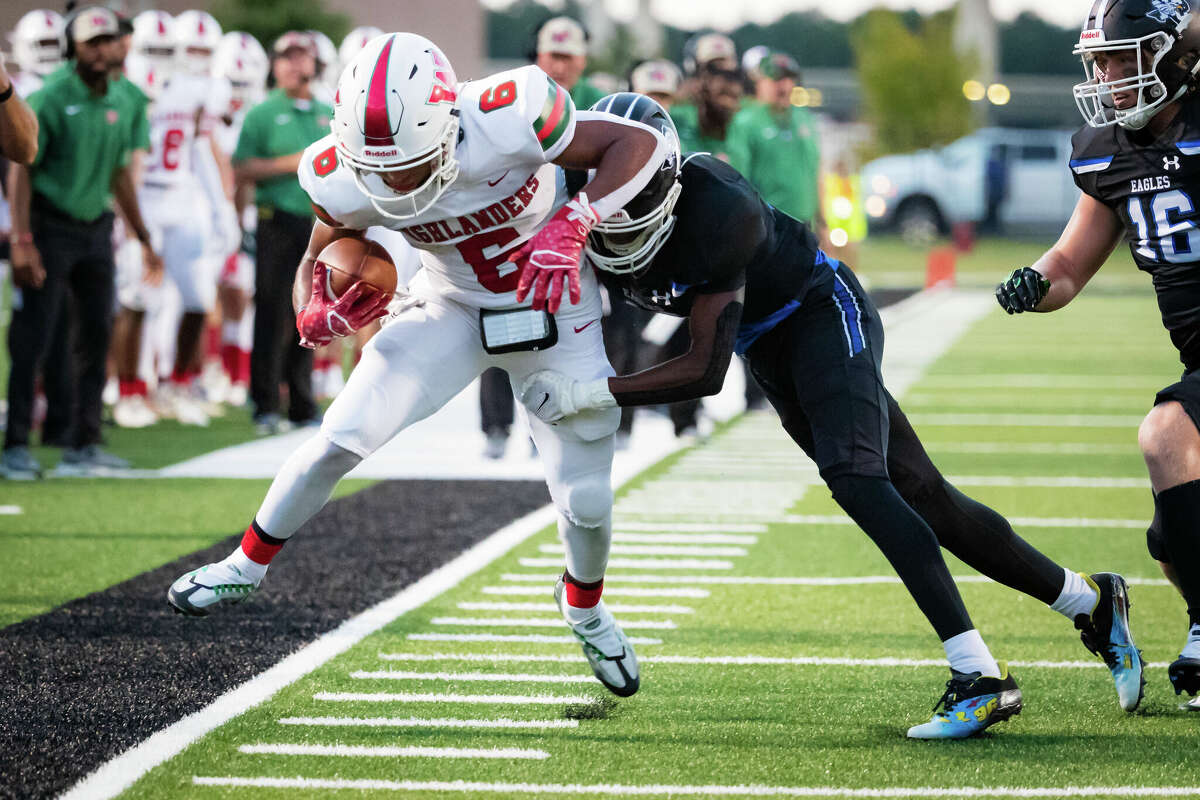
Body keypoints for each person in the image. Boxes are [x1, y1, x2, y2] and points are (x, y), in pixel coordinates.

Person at [519, 93, 1144, 736]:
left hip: (819, 310)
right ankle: (1089, 601)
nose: (622, 216)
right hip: (765, 342)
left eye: (639, 196)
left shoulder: (717, 208)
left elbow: (705, 371)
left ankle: (979, 675)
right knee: (923, 494)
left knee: (858, 480)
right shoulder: (576, 215)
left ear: (667, 179)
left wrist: (593, 394)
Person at [167, 33, 668, 699]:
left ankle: (584, 606)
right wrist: (312, 311)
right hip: (450, 306)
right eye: (378, 171)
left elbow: (639, 144)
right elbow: (319, 260)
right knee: (341, 436)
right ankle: (244, 564)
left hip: (556, 300)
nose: (393, 184)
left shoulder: (511, 110)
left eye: (406, 166)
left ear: (444, 123)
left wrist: (574, 221)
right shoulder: (339, 169)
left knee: (587, 500)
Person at [995, 0, 1200, 710]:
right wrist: (1035, 283)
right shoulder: (1106, 149)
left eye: (1125, 57)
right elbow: (1071, 266)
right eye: (1102, 62)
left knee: (1166, 433)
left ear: (1175, 55)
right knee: (1174, 543)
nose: (1111, 76)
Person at [2, 7, 163, 480]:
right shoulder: (51, 96)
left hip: (96, 227)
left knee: (96, 335)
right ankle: (14, 445)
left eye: (107, 40)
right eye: (91, 41)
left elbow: (119, 172)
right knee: (32, 336)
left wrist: (143, 235)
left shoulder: (129, 97)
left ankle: (84, 443)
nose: (100, 49)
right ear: (74, 47)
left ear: (121, 44)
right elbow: (20, 169)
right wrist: (22, 240)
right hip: (49, 226)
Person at [233, 31, 330, 434]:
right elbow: (242, 167)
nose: (295, 65)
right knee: (272, 313)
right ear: (275, 65)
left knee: (311, 311)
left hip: (318, 224)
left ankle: (303, 404)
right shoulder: (262, 112)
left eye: (301, 57)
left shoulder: (328, 112)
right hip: (277, 219)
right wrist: (293, 163)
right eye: (286, 58)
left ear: (314, 62)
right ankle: (265, 402)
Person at [728, 50, 823, 231]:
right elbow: (739, 179)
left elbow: (816, 170)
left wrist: (823, 220)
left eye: (789, 79)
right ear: (759, 82)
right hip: (769, 224)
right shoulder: (746, 122)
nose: (785, 86)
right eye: (777, 79)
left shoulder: (804, 118)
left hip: (805, 224)